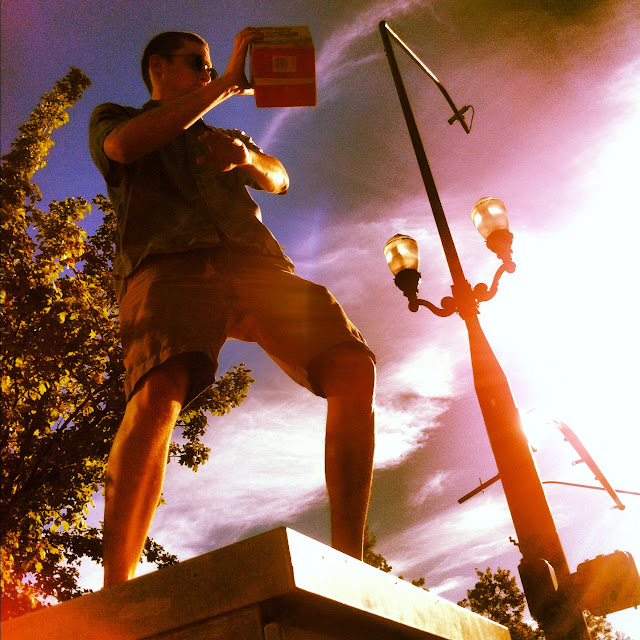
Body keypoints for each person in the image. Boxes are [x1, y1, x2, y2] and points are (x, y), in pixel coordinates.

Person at [89, 28, 376, 586]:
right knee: (158, 388)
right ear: (158, 69)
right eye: (197, 63)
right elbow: (122, 149)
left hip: (254, 262)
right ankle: (117, 588)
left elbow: (279, 178)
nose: (208, 71)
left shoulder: (224, 132)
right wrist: (223, 85)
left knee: (351, 365)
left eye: (210, 65)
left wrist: (244, 156)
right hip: (168, 264)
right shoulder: (115, 116)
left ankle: (352, 567)